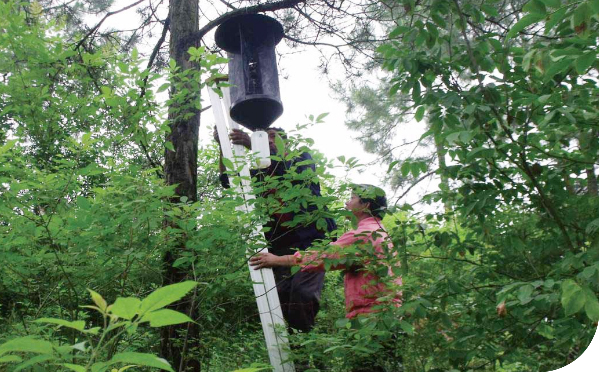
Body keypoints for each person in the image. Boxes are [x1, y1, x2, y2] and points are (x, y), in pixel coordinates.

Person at [214, 126, 337, 333]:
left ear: (285, 143)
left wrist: (253, 145)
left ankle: (303, 345)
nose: (268, 141)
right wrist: (223, 147)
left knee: (303, 293)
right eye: (264, 138)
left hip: (312, 241)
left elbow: (286, 174)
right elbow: (230, 181)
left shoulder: (301, 159)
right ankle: (291, 348)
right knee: (280, 294)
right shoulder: (262, 174)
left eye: (273, 137)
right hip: (281, 244)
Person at [249, 184, 402, 319]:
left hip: (372, 314)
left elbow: (322, 257)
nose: (346, 203)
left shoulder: (364, 234)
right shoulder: (379, 231)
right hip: (385, 311)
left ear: (365, 205)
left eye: (352, 198)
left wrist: (277, 260)